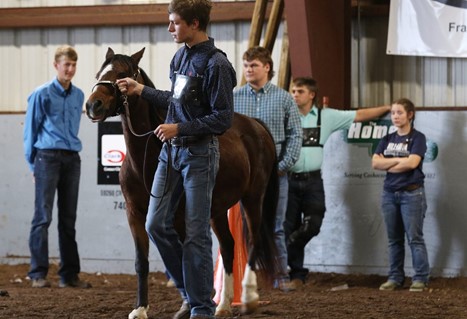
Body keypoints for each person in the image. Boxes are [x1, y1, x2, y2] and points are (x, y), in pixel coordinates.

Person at [116, 0, 236, 318]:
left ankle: (200, 309)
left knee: (196, 231)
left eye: (175, 23)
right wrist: (140, 88)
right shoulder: (180, 56)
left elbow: (223, 119)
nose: (170, 28)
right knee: (156, 224)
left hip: (199, 154)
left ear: (194, 24)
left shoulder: (217, 64)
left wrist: (179, 127)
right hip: (172, 153)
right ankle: (193, 294)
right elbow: (175, 99)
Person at [284, 77, 391, 289]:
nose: (295, 95)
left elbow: (359, 115)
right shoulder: (286, 116)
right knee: (288, 226)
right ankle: (296, 276)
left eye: (300, 91)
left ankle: (288, 247)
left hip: (313, 180)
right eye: (293, 91)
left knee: (313, 224)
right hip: (288, 180)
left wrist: (388, 107)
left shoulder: (327, 116)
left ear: (311, 95)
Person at [233, 46, 302, 292]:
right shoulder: (234, 97)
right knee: (242, 227)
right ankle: (245, 275)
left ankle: (279, 276)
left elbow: (295, 134)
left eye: (254, 65)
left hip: (274, 174)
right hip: (241, 176)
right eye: (246, 65)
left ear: (267, 67)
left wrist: (282, 166)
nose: (249, 70)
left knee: (275, 226)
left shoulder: (283, 98)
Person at [23, 45, 91, 289]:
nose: (70, 69)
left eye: (73, 65)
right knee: (43, 217)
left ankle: (69, 275)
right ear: (56, 65)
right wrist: (33, 164)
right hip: (47, 157)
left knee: (68, 218)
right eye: (66, 65)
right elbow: (30, 131)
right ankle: (38, 272)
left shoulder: (79, 95)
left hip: (72, 158)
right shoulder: (41, 94)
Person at [372, 98, 429, 292]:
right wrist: (399, 161)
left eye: (399, 113)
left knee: (414, 238)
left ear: (410, 115)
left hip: (412, 194)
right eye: (393, 113)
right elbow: (375, 163)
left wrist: (389, 162)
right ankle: (395, 277)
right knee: (394, 239)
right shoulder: (387, 139)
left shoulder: (418, 138)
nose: (395, 116)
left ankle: (420, 278)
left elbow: (412, 163)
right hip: (389, 194)